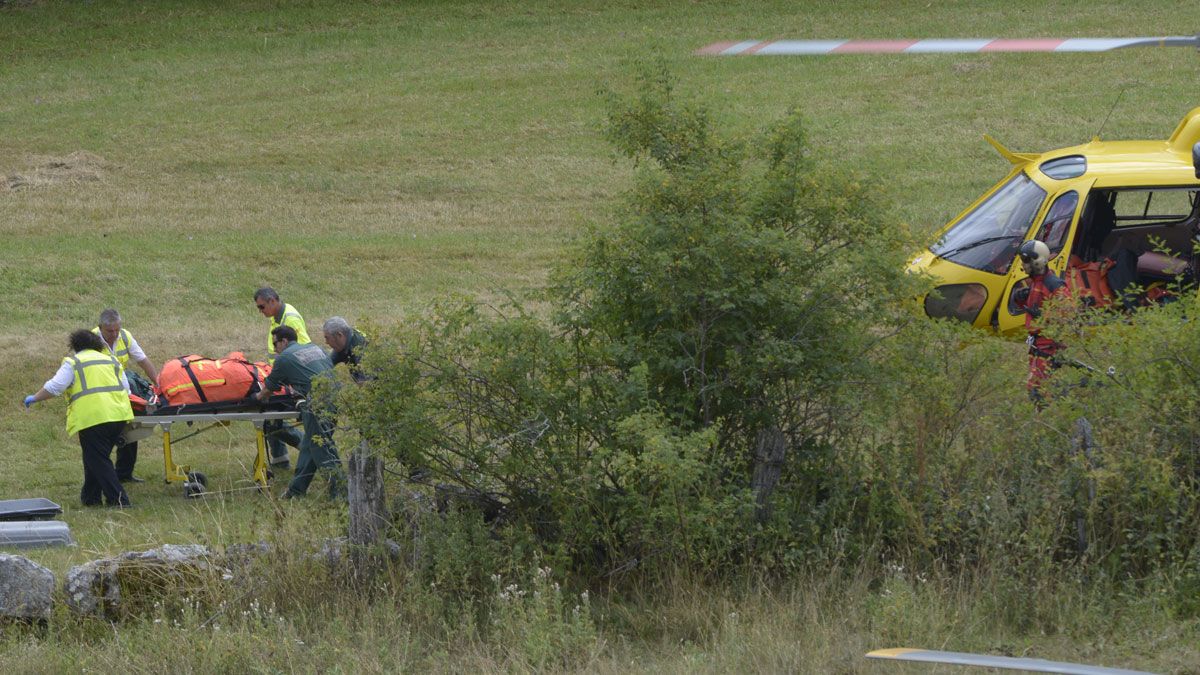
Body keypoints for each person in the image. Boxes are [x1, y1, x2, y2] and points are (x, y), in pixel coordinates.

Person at [24, 330, 134, 507]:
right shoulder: (111, 360)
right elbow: (127, 389)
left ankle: (119, 500)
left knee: (98, 459)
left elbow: (55, 387)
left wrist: (35, 398)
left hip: (93, 418)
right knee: (96, 457)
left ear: (75, 346)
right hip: (119, 416)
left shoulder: (74, 362)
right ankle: (90, 498)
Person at [256, 326, 341, 499]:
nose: (274, 349)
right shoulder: (316, 348)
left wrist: (255, 397)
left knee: (321, 448)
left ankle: (341, 490)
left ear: (285, 341)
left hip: (316, 404)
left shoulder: (284, 358)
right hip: (335, 399)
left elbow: (267, 390)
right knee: (311, 445)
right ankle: (296, 491)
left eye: (275, 344)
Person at [93, 308, 158, 483]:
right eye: (110, 331)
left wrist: (159, 383)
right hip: (101, 393)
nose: (114, 334)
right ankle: (103, 475)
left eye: (117, 330)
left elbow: (143, 361)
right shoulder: (91, 340)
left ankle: (124, 474)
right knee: (106, 435)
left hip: (123, 392)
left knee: (130, 429)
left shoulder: (125, 336)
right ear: (100, 328)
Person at [254, 287, 310, 469]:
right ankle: (280, 459)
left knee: (270, 416)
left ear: (272, 301)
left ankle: (305, 446)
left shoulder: (290, 319)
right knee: (269, 416)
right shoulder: (277, 317)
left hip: (293, 378)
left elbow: (300, 349)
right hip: (281, 374)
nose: (260, 312)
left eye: (262, 307)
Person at [1013, 239, 1068, 400]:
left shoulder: (1053, 284)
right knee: (1046, 386)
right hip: (1038, 343)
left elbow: (1068, 312)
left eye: (1026, 261)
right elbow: (1035, 303)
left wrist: (1045, 317)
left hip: (1048, 344)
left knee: (1037, 388)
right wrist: (1020, 298)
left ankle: (1056, 417)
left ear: (1037, 262)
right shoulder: (1036, 283)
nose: (1024, 265)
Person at [321, 316, 368, 383]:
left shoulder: (359, 348)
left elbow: (366, 384)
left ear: (339, 335)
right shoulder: (343, 343)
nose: (326, 342)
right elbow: (326, 367)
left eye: (327, 338)